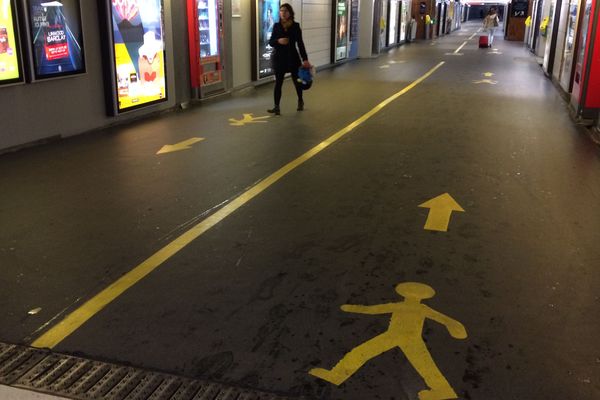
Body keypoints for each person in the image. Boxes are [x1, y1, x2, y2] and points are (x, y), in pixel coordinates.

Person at [267, 3, 310, 115]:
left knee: (297, 82)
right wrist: (278, 41)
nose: (283, 13)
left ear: (290, 13)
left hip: (293, 58)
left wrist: (305, 59)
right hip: (279, 59)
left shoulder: (295, 26)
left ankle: (300, 100)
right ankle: (276, 107)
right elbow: (271, 42)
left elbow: (300, 44)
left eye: (285, 11)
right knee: (278, 83)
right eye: (281, 11)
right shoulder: (277, 26)